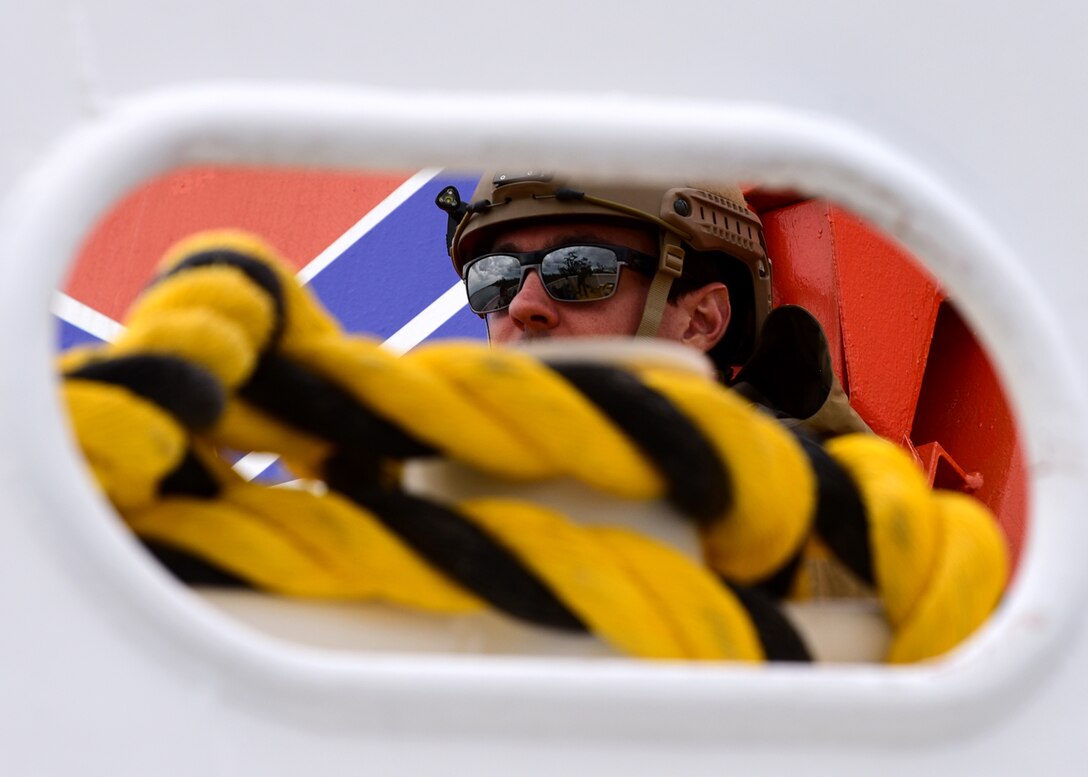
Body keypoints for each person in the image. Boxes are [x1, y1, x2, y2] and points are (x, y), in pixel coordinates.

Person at [437, 171, 869, 435]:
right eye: (497, 278)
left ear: (700, 321)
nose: (522, 305)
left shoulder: (793, 521)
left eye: (579, 271)